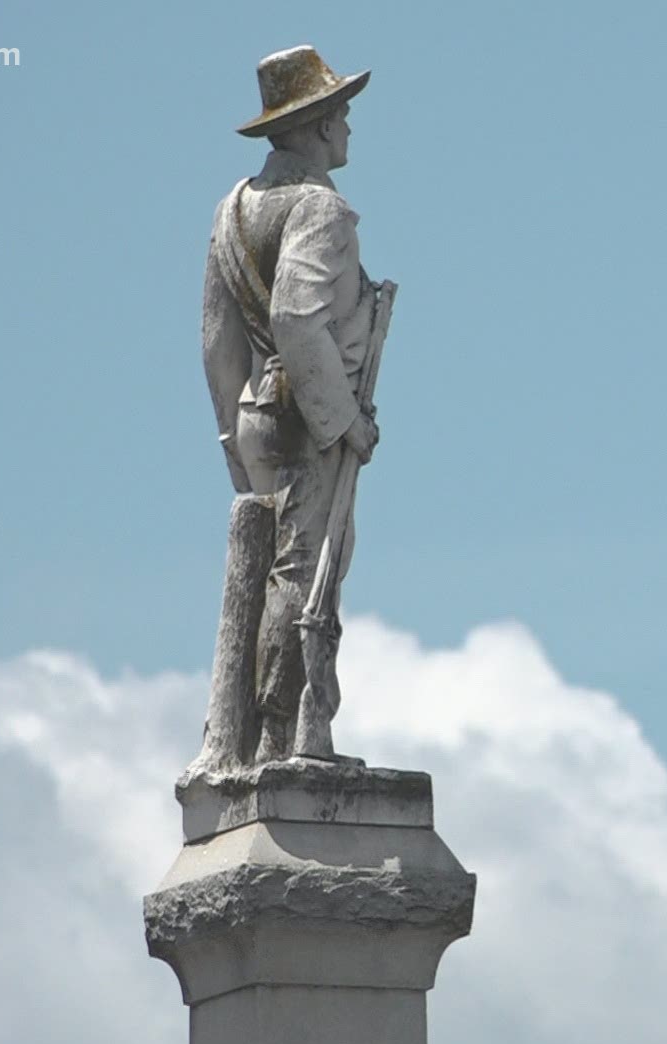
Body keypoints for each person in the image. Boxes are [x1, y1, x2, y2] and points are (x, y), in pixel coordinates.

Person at [202, 45, 382, 763]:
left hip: (256, 415)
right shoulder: (322, 211)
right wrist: (346, 423)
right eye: (339, 113)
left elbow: (218, 343)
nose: (348, 126)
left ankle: (269, 732)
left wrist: (231, 436)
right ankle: (286, 735)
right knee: (307, 574)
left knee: (281, 567)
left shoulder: (234, 208)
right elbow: (297, 320)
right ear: (313, 127)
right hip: (308, 417)